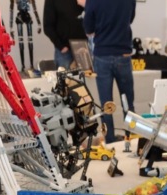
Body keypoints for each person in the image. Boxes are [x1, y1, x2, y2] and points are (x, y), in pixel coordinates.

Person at [80, 0, 136, 143]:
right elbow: (130, 19)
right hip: (123, 53)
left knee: (106, 104)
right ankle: (131, 139)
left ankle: (110, 140)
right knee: (128, 103)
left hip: (102, 55)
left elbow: (88, 29)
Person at [43, 0, 87, 70]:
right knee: (65, 76)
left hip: (84, 48)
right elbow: (48, 26)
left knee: (87, 76)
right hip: (64, 50)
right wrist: (60, 46)